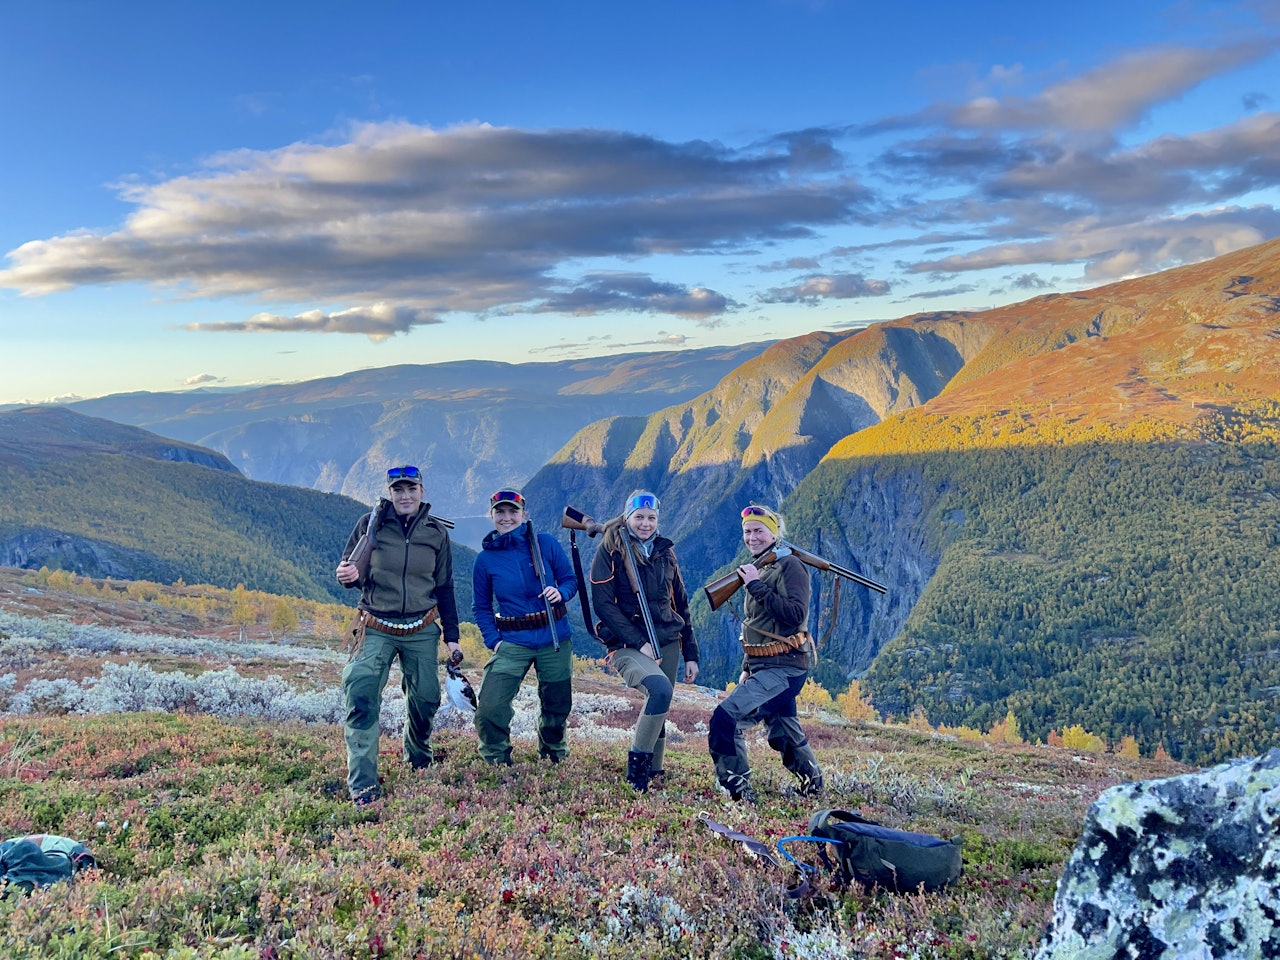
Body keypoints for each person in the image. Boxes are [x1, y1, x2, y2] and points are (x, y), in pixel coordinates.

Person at [335, 465, 462, 805]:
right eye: (398, 489)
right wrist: (346, 575)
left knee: (426, 698)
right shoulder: (370, 524)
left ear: (422, 491)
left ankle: (418, 755)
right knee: (360, 690)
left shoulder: (436, 533)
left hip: (421, 627)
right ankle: (362, 783)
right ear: (390, 492)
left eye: (411, 489)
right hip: (375, 624)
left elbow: (445, 586)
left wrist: (453, 635)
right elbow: (350, 572)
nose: (405, 495)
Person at [708, 503, 823, 803]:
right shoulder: (763, 565)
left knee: (726, 719)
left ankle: (739, 792)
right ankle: (813, 785)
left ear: (774, 533)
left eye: (759, 531)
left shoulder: (790, 566)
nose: (752, 537)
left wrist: (756, 586)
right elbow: (756, 625)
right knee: (783, 729)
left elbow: (795, 614)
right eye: (747, 532)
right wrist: (748, 665)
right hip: (765, 666)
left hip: (785, 668)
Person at [590, 490, 699, 791]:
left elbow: (681, 603)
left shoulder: (665, 552)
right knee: (660, 690)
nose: (646, 524)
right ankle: (636, 775)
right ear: (627, 517)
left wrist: (691, 652)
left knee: (660, 706)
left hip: (667, 640)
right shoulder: (610, 551)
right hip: (627, 645)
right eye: (639, 517)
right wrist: (639, 641)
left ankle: (655, 771)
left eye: (651, 518)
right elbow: (604, 606)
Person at [471, 489, 577, 765]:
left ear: (523, 514)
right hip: (513, 640)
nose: (507, 518)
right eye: (500, 512)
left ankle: (553, 755)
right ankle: (496, 759)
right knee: (490, 707)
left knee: (557, 705)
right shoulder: (485, 560)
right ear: (492, 515)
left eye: (513, 512)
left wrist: (561, 593)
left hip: (554, 637)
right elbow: (481, 607)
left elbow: (570, 580)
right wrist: (494, 641)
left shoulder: (546, 544)